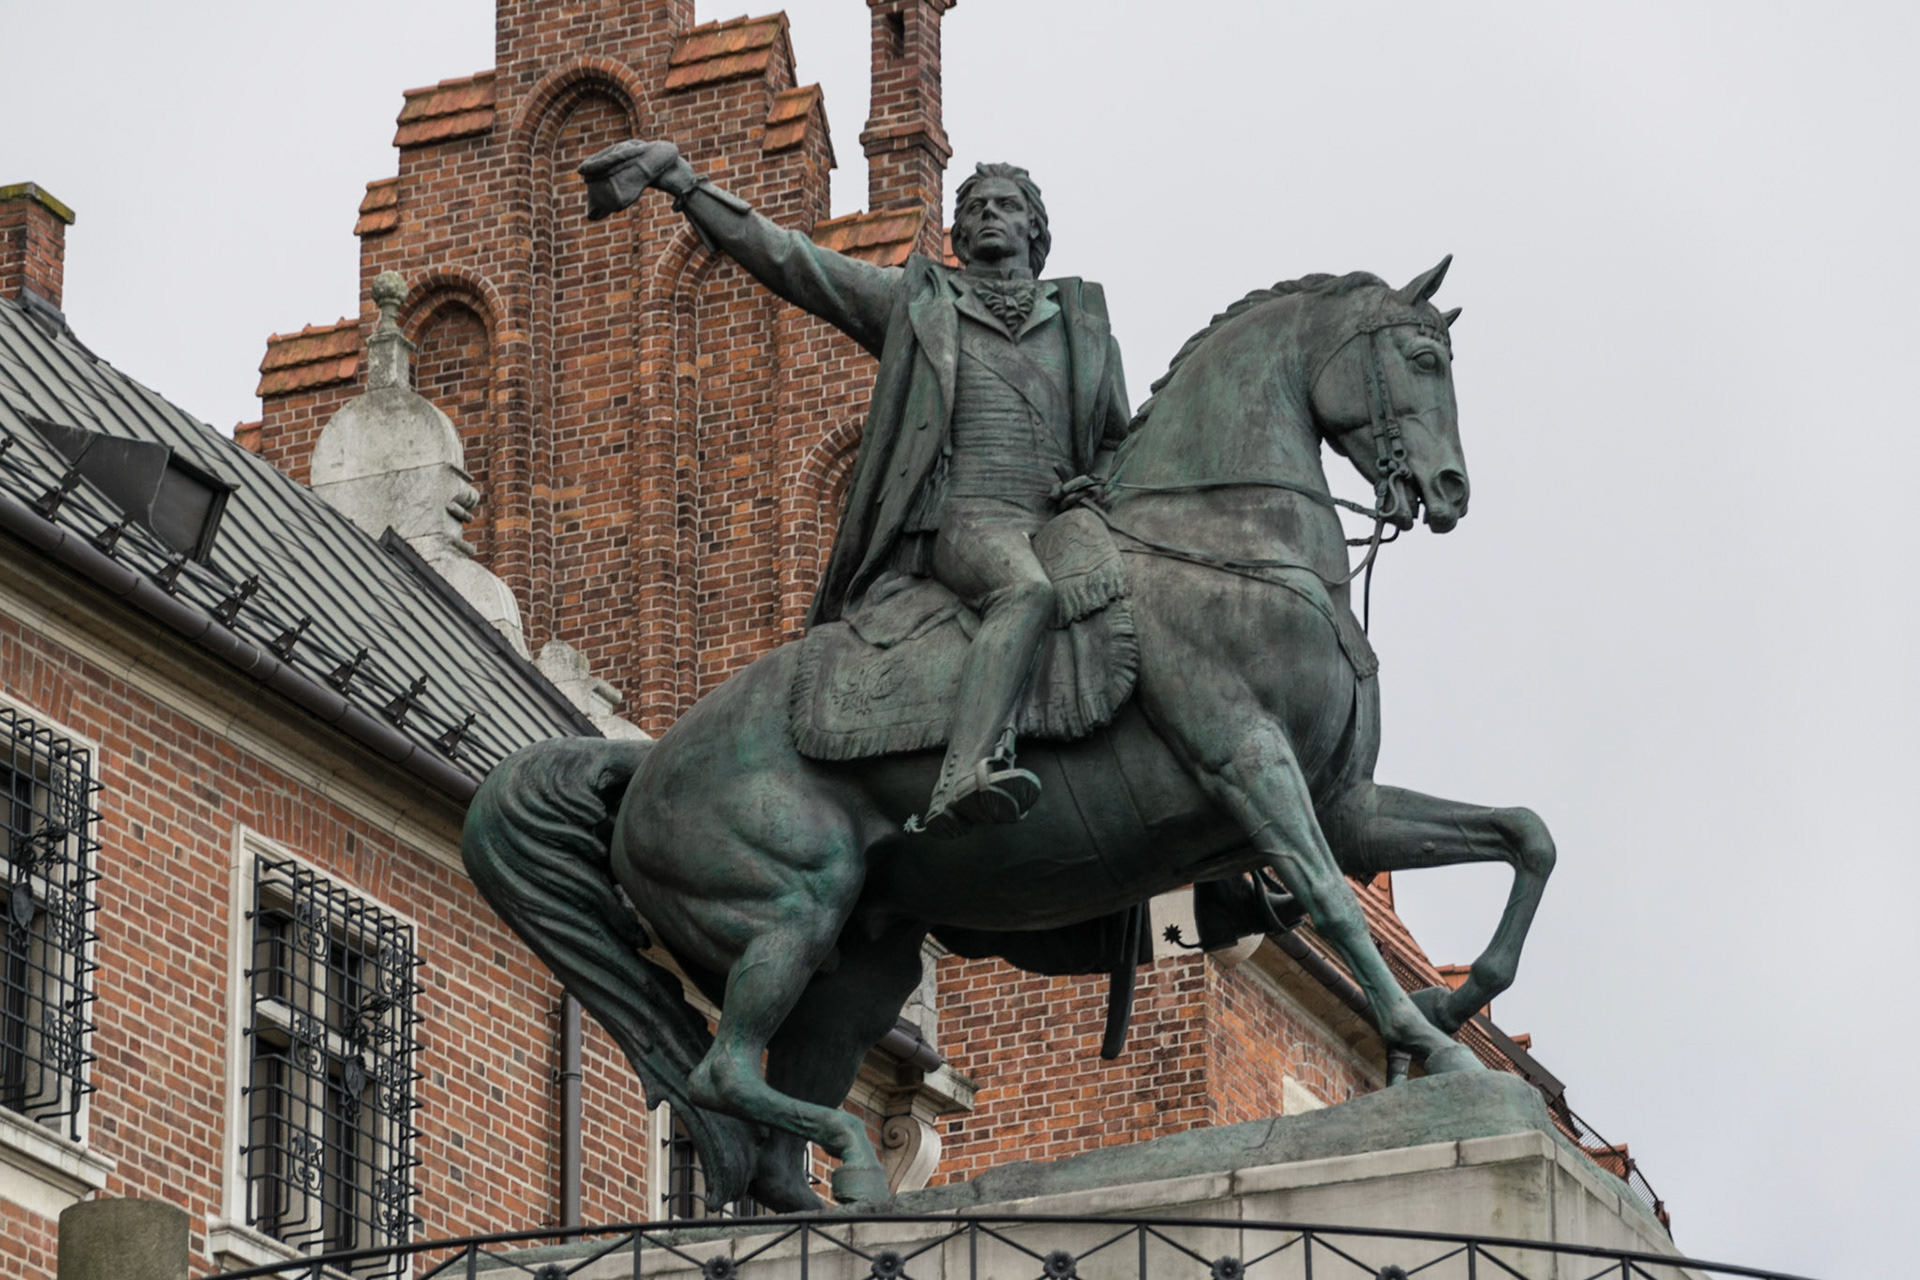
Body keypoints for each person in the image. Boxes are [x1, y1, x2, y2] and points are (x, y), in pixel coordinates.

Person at [581, 141, 1131, 836]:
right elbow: (793, 262)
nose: (991, 214)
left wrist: (1101, 485)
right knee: (1026, 593)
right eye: (975, 208)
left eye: (1008, 206)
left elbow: (1117, 439)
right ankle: (963, 772)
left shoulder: (1084, 327)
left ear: (1035, 231)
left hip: (1056, 519)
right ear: (958, 235)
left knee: (1159, 612)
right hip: (966, 519)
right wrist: (684, 184)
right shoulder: (920, 304)